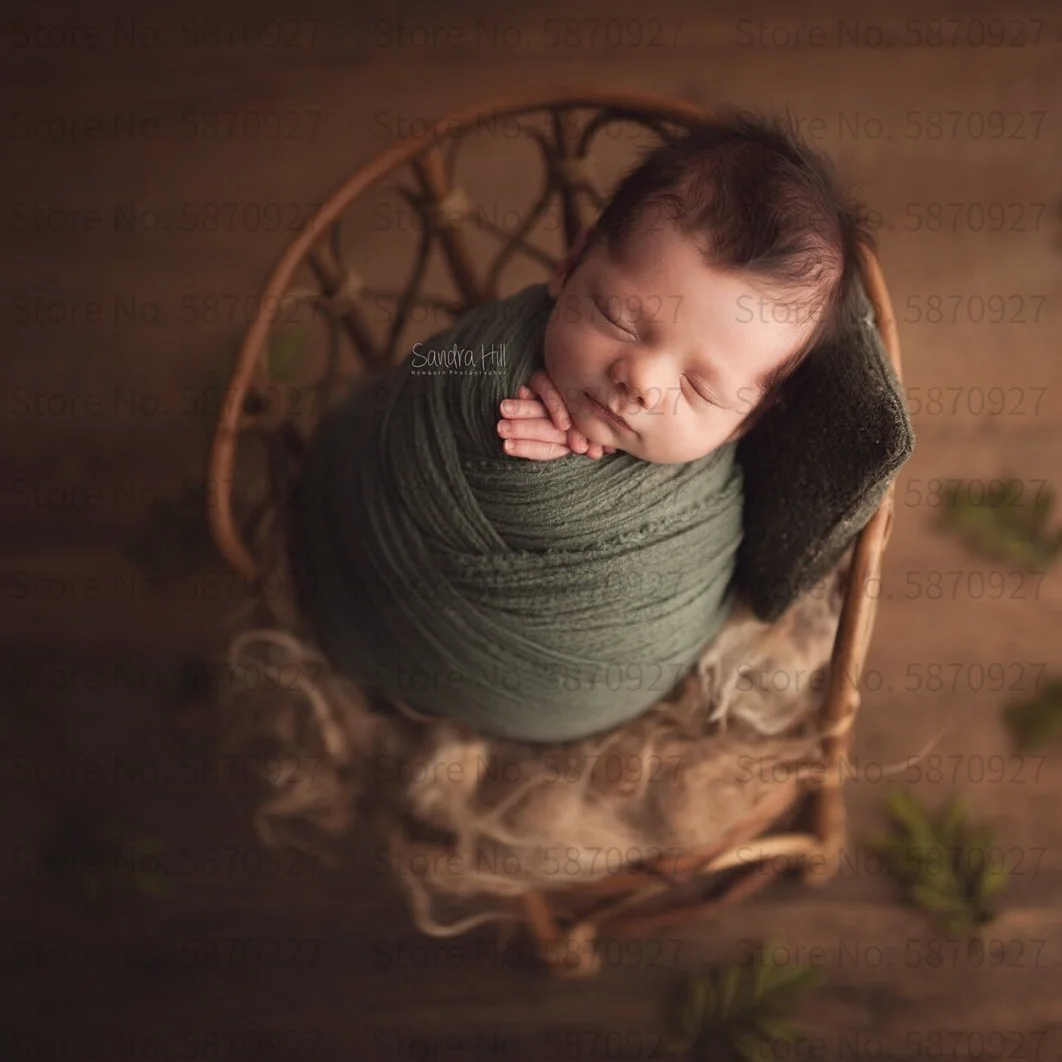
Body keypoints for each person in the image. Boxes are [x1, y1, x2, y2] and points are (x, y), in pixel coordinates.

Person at [495, 109, 875, 465]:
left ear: (744, 423)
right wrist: (501, 387)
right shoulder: (492, 350)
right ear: (571, 265)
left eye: (699, 389)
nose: (641, 381)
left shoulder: (710, 500)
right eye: (617, 321)